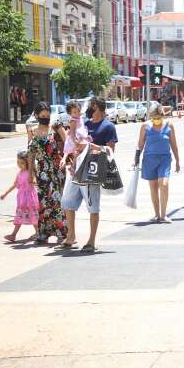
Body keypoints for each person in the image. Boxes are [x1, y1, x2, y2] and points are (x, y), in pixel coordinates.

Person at [62, 97, 118, 252]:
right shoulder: (84, 124)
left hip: (93, 169)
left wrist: (91, 146)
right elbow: (74, 143)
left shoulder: (108, 127)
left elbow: (110, 151)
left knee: (93, 206)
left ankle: (91, 241)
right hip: (77, 167)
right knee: (67, 201)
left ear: (97, 107)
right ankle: (71, 235)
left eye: (90, 106)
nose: (86, 110)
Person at [27, 102, 68, 244]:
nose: (45, 118)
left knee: (56, 200)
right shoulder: (32, 131)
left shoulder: (56, 126)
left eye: (47, 115)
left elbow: (68, 143)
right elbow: (31, 153)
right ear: (37, 115)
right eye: (42, 115)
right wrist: (30, 173)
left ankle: (62, 232)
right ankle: (43, 233)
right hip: (42, 171)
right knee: (43, 201)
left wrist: (65, 158)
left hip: (57, 169)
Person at [134, 103, 180, 223]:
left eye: (158, 118)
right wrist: (136, 159)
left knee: (164, 184)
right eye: (153, 118)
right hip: (149, 159)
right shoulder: (145, 126)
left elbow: (173, 144)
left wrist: (177, 160)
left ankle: (164, 215)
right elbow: (140, 144)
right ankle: (156, 214)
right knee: (153, 187)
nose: (156, 120)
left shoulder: (169, 125)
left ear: (162, 116)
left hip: (164, 159)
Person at [0, 150, 40, 242]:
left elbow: (34, 180)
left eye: (22, 163)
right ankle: (13, 235)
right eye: (18, 162)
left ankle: (37, 232)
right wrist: (5, 193)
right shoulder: (19, 173)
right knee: (19, 216)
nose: (19, 165)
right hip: (21, 200)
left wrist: (34, 181)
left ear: (27, 163)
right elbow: (14, 185)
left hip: (30, 199)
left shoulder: (30, 172)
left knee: (33, 217)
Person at [61, 100, 90, 169]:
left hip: (80, 136)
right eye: (74, 112)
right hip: (75, 138)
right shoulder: (73, 121)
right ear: (70, 113)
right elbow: (72, 132)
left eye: (78, 111)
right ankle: (73, 167)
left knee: (82, 152)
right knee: (77, 152)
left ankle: (78, 166)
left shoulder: (78, 117)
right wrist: (75, 141)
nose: (77, 113)